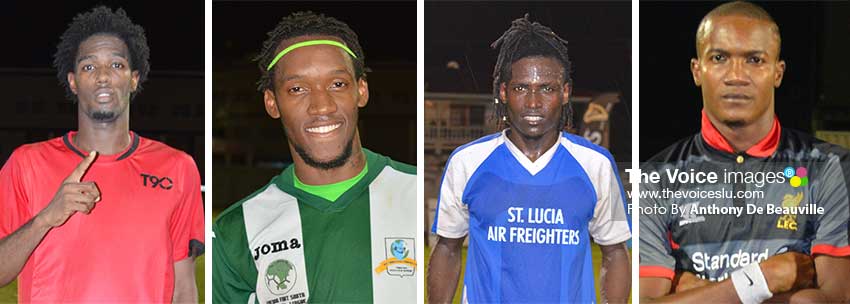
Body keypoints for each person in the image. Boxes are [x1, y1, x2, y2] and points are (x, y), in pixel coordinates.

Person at [639, 2, 850, 303]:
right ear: (697, 70)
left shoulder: (830, 168)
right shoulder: (655, 179)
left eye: (754, 59)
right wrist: (766, 278)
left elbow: (834, 299)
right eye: (719, 57)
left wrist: (690, 292)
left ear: (778, 73)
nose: (736, 75)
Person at [0, 6, 203, 303]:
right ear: (73, 81)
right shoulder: (26, 163)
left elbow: (184, 288)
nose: (104, 76)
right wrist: (45, 219)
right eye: (89, 67)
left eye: (117, 65)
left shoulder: (177, 168)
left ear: (134, 79)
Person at [212, 11, 416, 304]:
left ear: (361, 90)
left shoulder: (416, 192)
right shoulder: (237, 231)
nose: (322, 106)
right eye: (297, 89)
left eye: (337, 84)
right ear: (272, 103)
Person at [428, 15, 631, 303]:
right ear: (503, 92)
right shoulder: (467, 162)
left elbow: (614, 253)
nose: (533, 103)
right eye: (521, 88)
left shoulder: (595, 165)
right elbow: (447, 249)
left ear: (565, 93)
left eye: (546, 89)